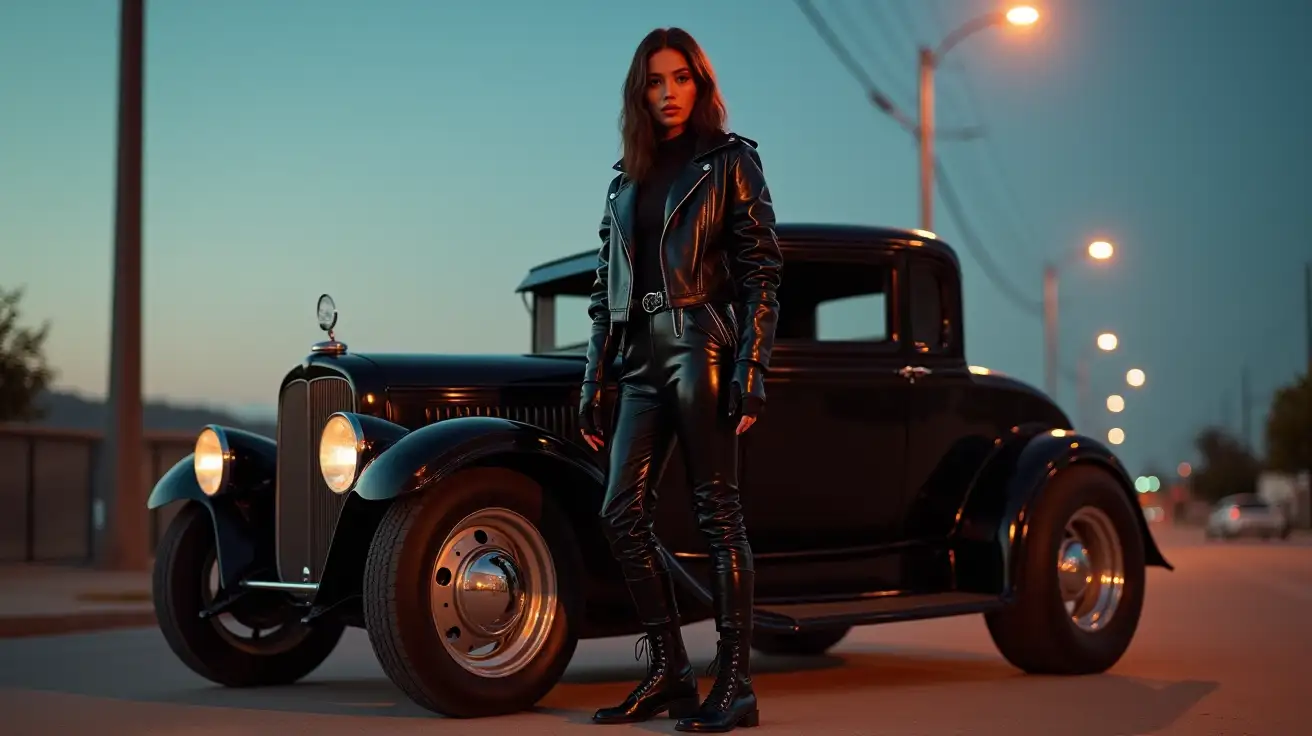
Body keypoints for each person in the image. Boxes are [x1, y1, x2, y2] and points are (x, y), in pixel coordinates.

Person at [578, 26, 782, 733]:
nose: (668, 93)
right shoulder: (622, 182)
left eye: (680, 79)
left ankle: (736, 682)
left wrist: (752, 369)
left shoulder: (729, 161)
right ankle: (669, 672)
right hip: (636, 356)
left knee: (717, 514)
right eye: (655, 82)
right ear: (640, 93)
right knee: (619, 513)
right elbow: (605, 290)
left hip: (700, 345)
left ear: (700, 83)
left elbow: (762, 271)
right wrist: (592, 378)